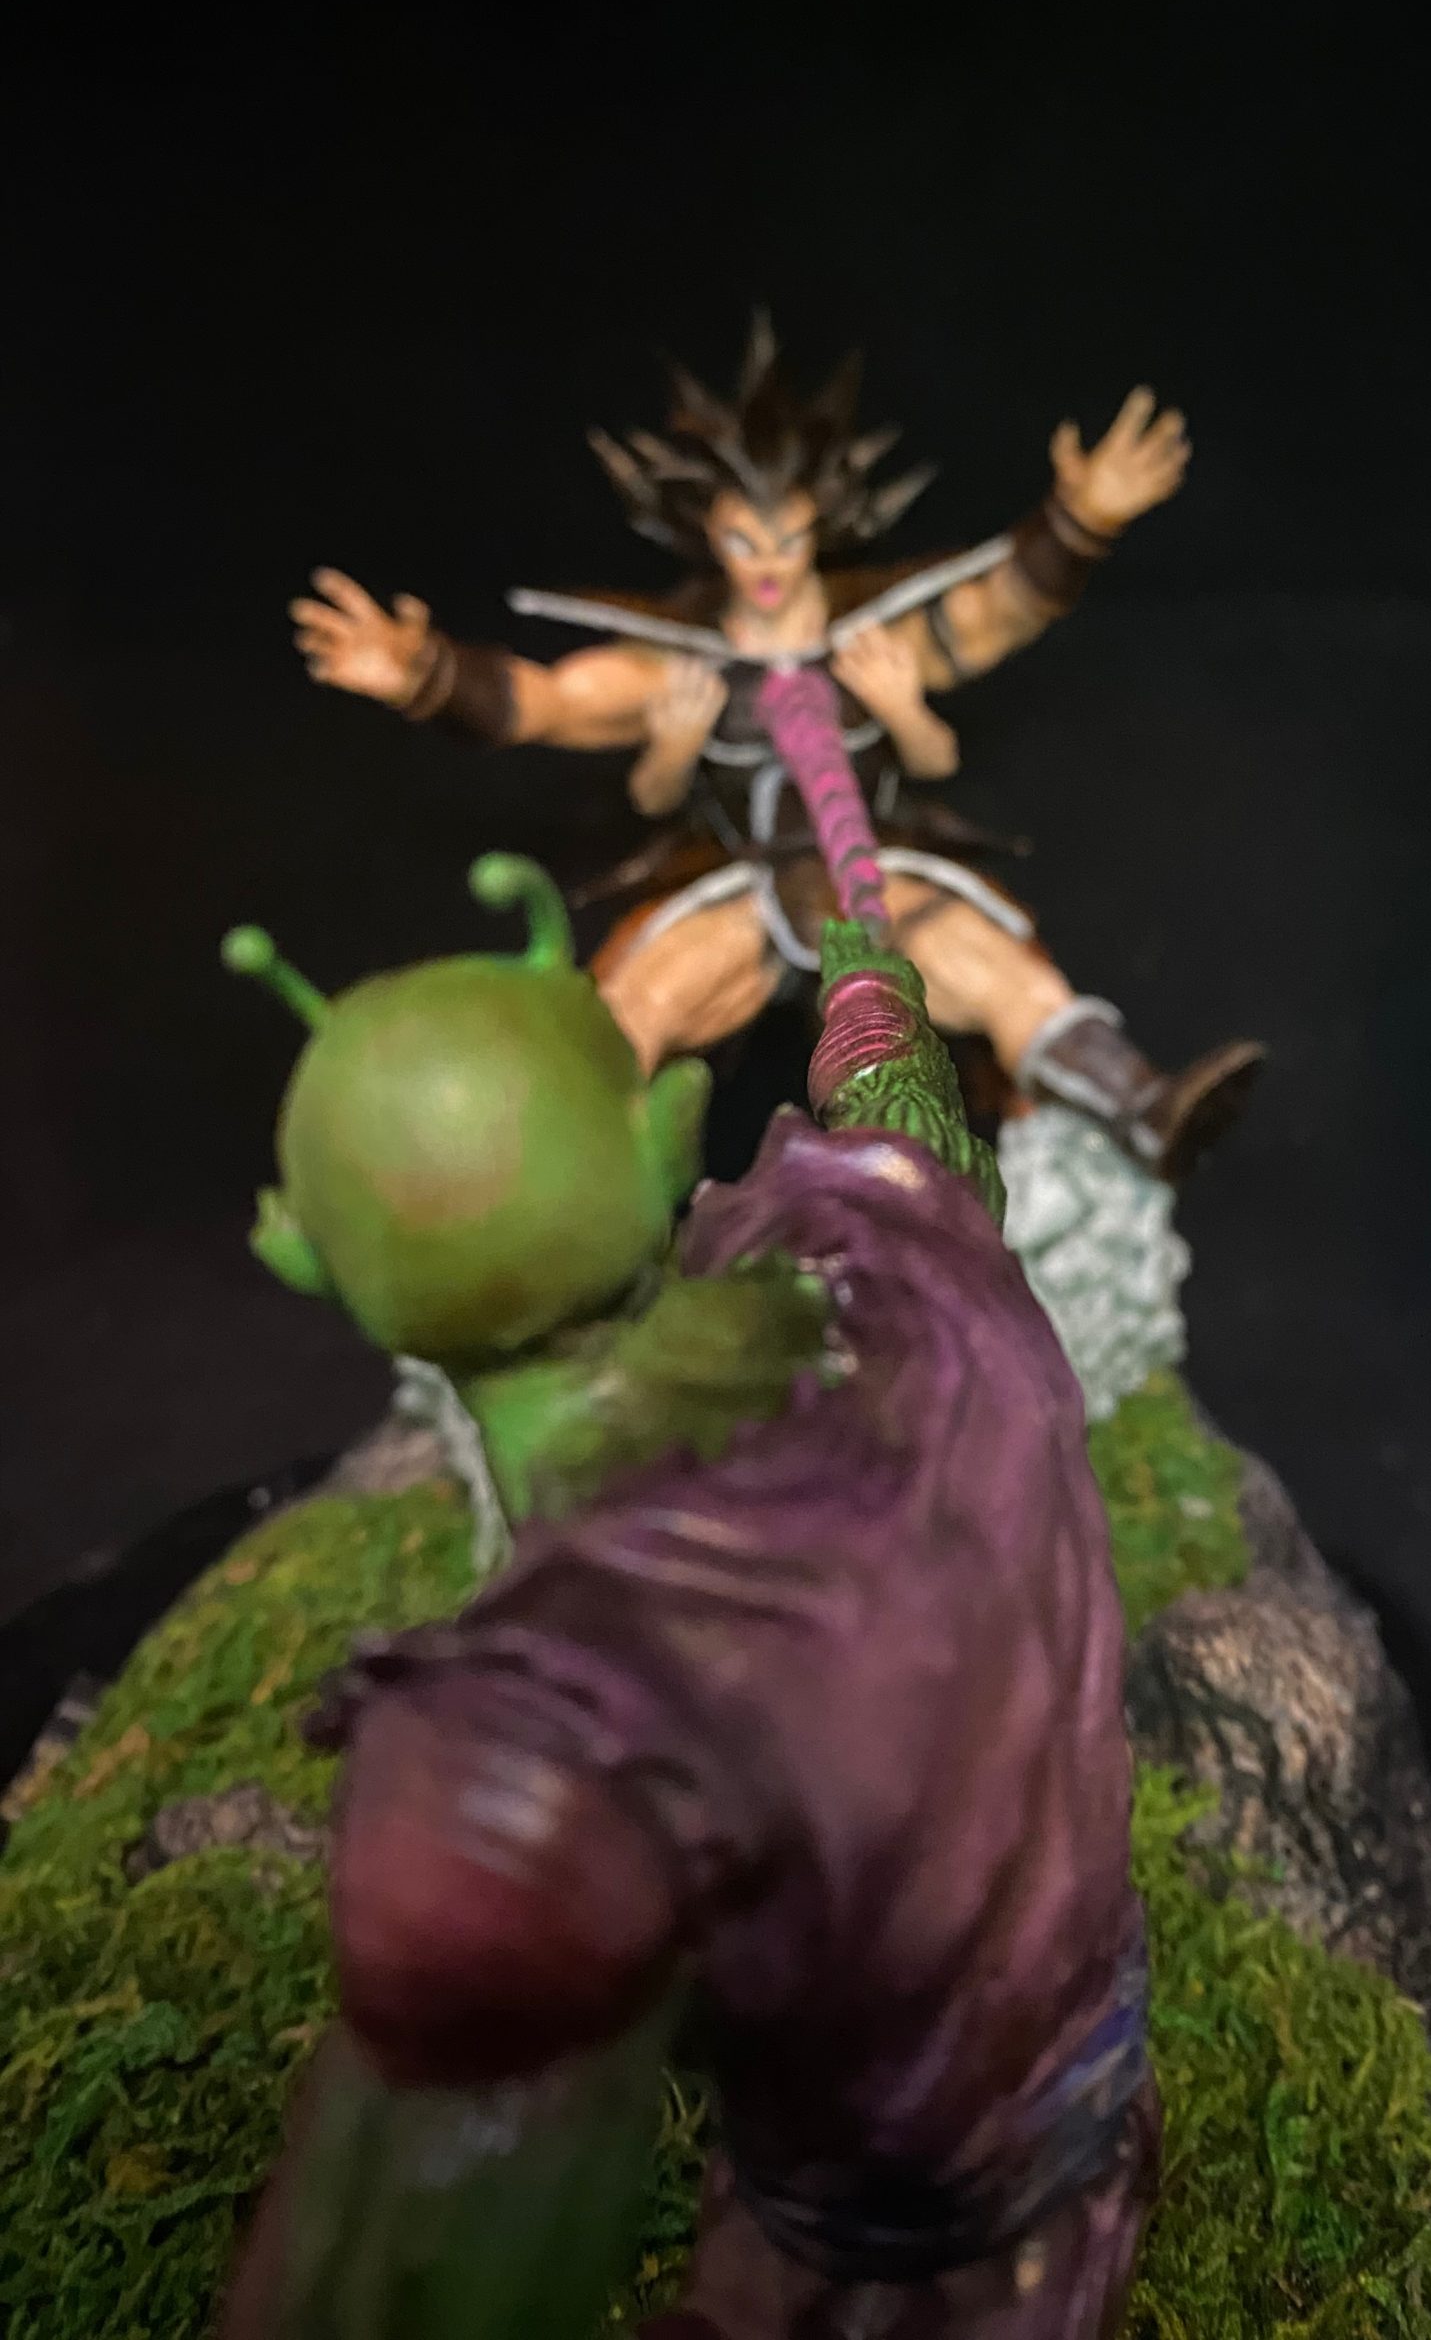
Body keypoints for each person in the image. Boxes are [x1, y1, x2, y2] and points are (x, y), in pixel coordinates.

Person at [218, 863, 1157, 2340]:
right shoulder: (909, 1263)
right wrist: (868, 985)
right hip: (1088, 2112)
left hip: (880, 2234)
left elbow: (414, 2264)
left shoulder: (527, 1753)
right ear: (668, 1132)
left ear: (303, 1258)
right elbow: (902, 1124)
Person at [289, 313, 1262, 1179]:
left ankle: (1144, 1109)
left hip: (879, 880)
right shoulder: (679, 664)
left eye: (787, 539)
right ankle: (540, 1187)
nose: (767, 565)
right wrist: (425, 674)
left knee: (1012, 978)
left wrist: (1081, 521)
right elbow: (543, 702)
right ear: (708, 537)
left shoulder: (878, 640)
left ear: (818, 530)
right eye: (743, 542)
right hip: (747, 892)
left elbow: (1000, 607)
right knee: (630, 1011)